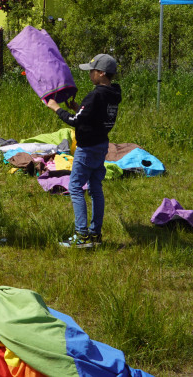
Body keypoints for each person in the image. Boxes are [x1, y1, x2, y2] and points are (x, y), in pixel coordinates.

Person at [45, 54, 121, 248]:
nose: (90, 74)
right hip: (101, 145)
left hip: (86, 148)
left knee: (76, 187)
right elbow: (94, 116)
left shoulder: (95, 94)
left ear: (102, 73)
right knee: (96, 188)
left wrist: (55, 108)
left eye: (92, 71)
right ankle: (95, 233)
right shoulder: (113, 94)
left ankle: (81, 236)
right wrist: (79, 108)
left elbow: (75, 121)